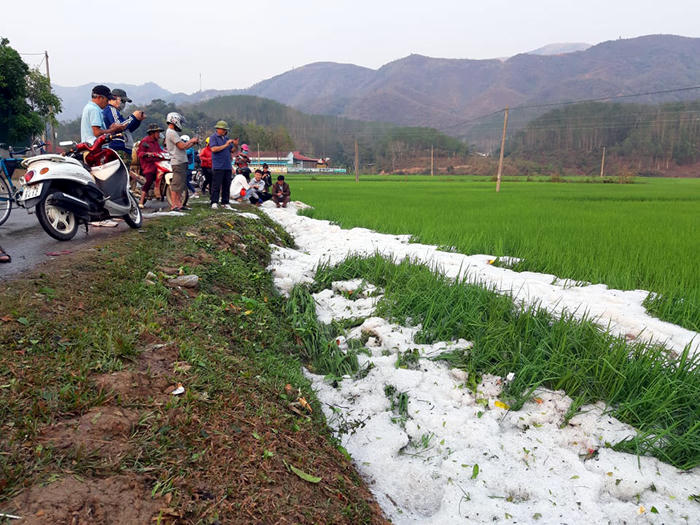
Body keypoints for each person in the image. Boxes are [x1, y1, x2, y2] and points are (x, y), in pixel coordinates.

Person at [164, 112, 199, 212]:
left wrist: (192, 143)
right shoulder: (171, 132)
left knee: (181, 184)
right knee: (176, 184)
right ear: (174, 120)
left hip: (181, 161)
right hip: (177, 161)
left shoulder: (172, 132)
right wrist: (191, 140)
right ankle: (174, 205)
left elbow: (184, 147)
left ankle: (179, 204)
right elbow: (182, 146)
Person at [102, 88, 145, 167]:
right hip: (118, 148)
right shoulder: (111, 110)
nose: (124, 104)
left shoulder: (115, 112)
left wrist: (137, 120)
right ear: (114, 98)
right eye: (123, 101)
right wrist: (133, 117)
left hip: (124, 148)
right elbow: (120, 126)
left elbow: (128, 129)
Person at [208, 120, 238, 210]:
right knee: (216, 185)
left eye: (225, 130)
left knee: (226, 185)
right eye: (223, 129)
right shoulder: (213, 137)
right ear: (218, 129)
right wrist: (225, 145)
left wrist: (236, 145)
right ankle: (214, 202)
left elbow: (232, 150)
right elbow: (213, 149)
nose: (225, 131)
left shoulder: (226, 138)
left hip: (227, 165)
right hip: (218, 165)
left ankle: (225, 202)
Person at [137, 124, 165, 208]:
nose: (159, 134)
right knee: (148, 181)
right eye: (157, 132)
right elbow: (139, 153)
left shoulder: (156, 142)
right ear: (152, 133)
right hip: (148, 165)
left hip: (157, 164)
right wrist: (147, 154)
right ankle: (141, 201)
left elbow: (160, 151)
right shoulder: (145, 141)